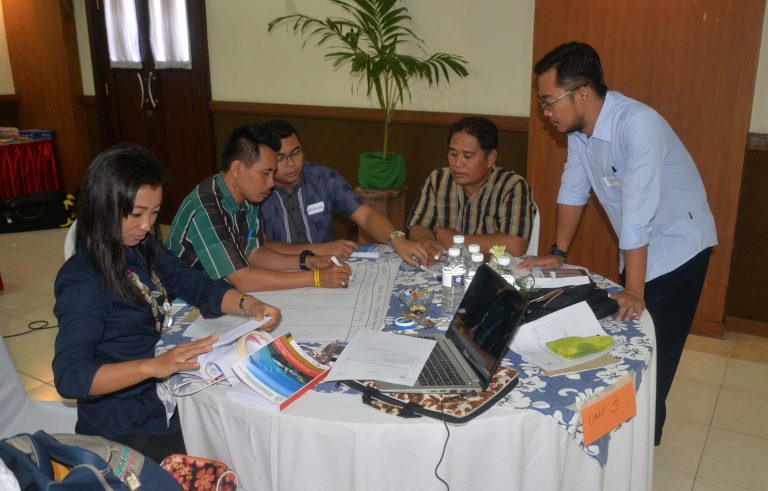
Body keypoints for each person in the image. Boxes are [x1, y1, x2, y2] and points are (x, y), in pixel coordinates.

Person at [523, 41, 717, 445]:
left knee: (652, 357)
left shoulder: (637, 123)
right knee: (629, 347)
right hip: (642, 249)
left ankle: (644, 444)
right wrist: (559, 253)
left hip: (680, 248)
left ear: (582, 93)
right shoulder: (581, 131)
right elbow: (573, 190)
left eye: (548, 101)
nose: (545, 112)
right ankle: (624, 436)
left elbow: (638, 212)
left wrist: (634, 289)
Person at [53, 144, 282, 463]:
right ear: (103, 207)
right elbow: (70, 376)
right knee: (233, 461)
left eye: (155, 213)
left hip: (161, 406)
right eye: (136, 214)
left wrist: (248, 305)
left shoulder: (138, 247)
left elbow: (192, 283)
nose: (147, 225)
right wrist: (154, 366)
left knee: (247, 438)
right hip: (122, 430)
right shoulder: (82, 279)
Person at [166, 123, 352, 291]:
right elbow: (243, 280)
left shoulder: (248, 197)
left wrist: (308, 261)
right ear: (238, 169)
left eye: (273, 173)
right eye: (265, 173)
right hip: (182, 301)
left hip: (216, 292)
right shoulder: (206, 207)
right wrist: (316, 278)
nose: (271, 183)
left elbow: (255, 253)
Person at [259, 119, 430, 266]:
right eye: (281, 158)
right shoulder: (256, 190)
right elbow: (258, 248)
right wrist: (320, 249)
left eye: (296, 153)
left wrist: (398, 240)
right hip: (276, 271)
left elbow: (366, 215)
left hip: (325, 267)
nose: (291, 164)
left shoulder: (323, 179)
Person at [407, 116, 535, 258]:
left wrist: (456, 242)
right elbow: (418, 226)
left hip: (490, 272)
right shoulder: (437, 179)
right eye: (453, 154)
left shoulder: (511, 186)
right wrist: (428, 242)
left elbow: (515, 246)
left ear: (491, 158)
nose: (457, 163)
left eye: (467, 156)